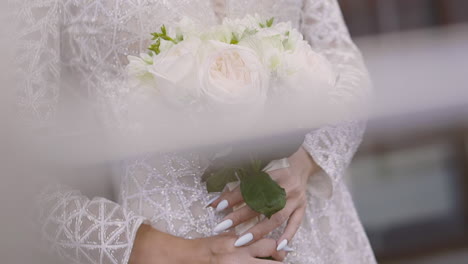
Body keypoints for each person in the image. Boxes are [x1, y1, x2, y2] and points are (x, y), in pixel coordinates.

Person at [16, 0, 376, 263]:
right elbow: (16, 174)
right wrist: (151, 247)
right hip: (174, 242)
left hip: (319, 234)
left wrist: (305, 159)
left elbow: (343, 60)